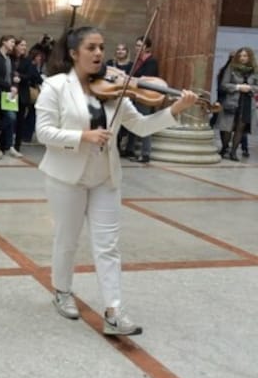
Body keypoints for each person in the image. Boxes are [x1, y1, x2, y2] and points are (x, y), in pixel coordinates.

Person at [36, 26, 197, 336]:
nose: (99, 53)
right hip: (66, 177)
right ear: (73, 53)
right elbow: (44, 132)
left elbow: (141, 127)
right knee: (67, 240)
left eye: (101, 47)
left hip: (105, 177)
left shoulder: (116, 89)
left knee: (108, 245)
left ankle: (114, 310)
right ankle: (62, 290)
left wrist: (175, 108)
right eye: (91, 48)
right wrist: (82, 136)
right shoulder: (55, 86)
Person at [215, 47, 257, 161]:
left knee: (240, 128)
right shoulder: (231, 67)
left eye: (245, 56)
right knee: (227, 127)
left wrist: (250, 88)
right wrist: (238, 87)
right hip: (231, 101)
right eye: (240, 56)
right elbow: (224, 84)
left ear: (250, 57)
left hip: (247, 103)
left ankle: (233, 152)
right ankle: (224, 148)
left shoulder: (255, 70)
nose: (242, 58)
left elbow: (256, 87)